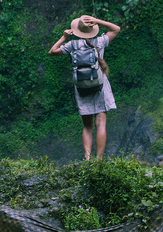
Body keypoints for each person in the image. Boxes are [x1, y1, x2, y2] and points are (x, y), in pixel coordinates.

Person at [48, 15, 121, 160]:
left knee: (87, 126)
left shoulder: (72, 45)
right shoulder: (99, 41)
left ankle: (87, 158)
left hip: (82, 88)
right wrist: (98, 21)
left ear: (77, 30)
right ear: (92, 29)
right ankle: (99, 159)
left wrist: (64, 37)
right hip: (99, 86)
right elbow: (116, 29)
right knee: (101, 123)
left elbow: (52, 51)